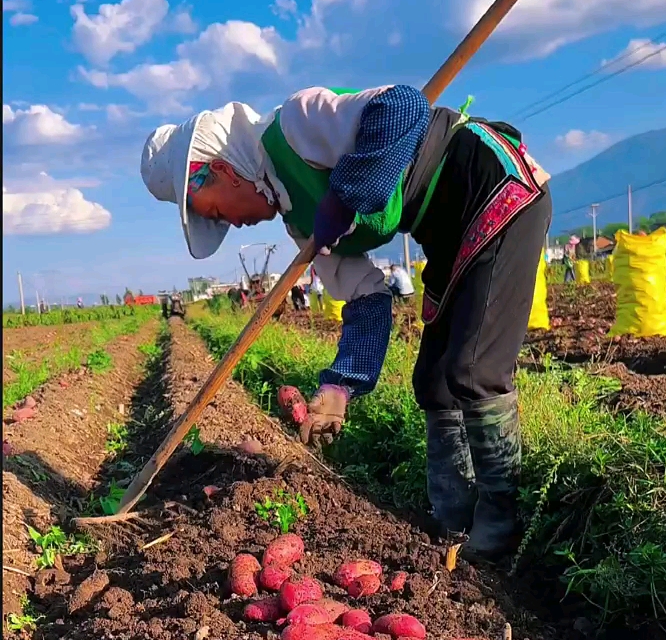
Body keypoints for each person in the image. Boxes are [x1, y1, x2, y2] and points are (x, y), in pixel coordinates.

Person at [141, 86, 551, 560]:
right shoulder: (301, 224)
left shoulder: (296, 124)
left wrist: (345, 196)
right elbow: (366, 297)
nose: (231, 224)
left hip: (490, 186)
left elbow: (403, 108)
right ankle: (453, 516)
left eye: (216, 212)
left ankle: (501, 524)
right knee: (433, 382)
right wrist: (340, 387)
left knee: (474, 370)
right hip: (445, 234)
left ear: (223, 171)